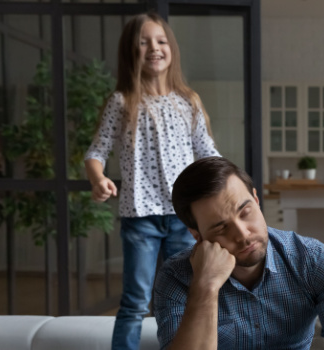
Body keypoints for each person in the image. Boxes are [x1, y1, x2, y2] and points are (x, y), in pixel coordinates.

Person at [84, 12, 221, 350]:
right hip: (140, 218)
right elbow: (96, 151)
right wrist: (98, 178)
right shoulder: (122, 102)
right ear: (131, 52)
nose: (153, 48)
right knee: (134, 301)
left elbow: (208, 153)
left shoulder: (188, 101)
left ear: (171, 48)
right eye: (143, 42)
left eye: (160, 41)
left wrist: (229, 185)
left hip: (184, 219)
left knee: (183, 294)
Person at [154, 156, 324, 350]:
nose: (242, 234)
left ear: (257, 201)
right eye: (221, 228)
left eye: (245, 212)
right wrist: (206, 287)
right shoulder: (175, 277)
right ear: (197, 236)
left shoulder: (311, 258)